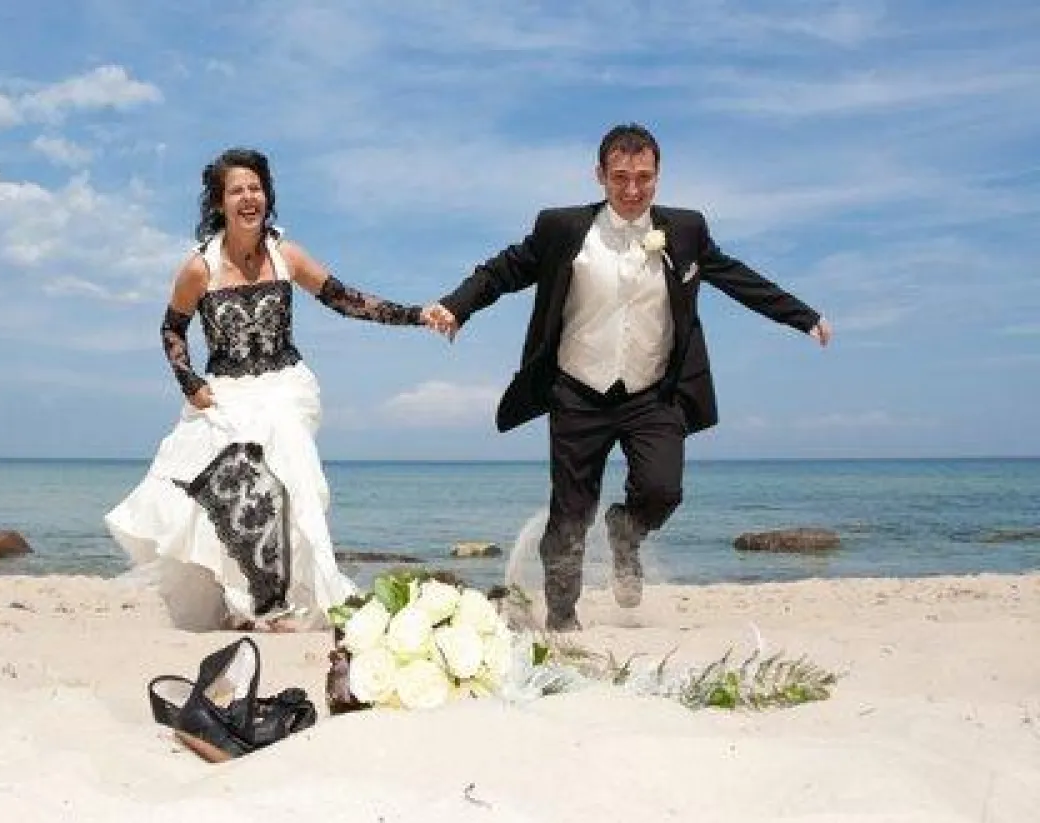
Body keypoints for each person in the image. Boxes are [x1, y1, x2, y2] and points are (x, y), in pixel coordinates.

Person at [423, 124, 832, 631]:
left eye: (644, 177)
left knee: (663, 490)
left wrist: (803, 317)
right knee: (570, 515)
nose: (633, 190)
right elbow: (501, 271)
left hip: (652, 393)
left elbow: (737, 277)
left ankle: (626, 530)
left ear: (658, 175)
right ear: (600, 175)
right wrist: (456, 306)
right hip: (576, 390)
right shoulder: (560, 228)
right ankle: (562, 619)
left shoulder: (686, 230)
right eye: (620, 177)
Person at [107, 148, 441, 631]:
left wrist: (416, 315)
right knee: (227, 490)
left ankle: (283, 602)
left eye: (256, 188)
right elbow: (172, 328)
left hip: (284, 385)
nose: (249, 198)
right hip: (226, 390)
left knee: (292, 477)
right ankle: (246, 601)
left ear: (267, 195)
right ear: (219, 203)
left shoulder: (286, 255)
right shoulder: (199, 267)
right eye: (237, 190)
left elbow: (344, 299)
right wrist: (189, 381)